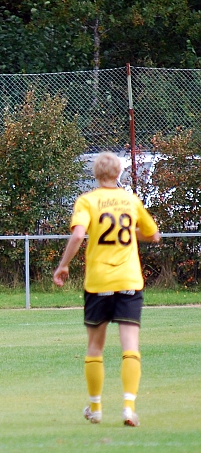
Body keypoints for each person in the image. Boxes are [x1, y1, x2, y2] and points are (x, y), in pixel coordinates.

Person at [53, 152, 160, 427]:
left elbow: (78, 235)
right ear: (119, 173)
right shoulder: (130, 200)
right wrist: (134, 234)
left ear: (95, 174)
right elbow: (153, 234)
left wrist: (63, 266)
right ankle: (128, 407)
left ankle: (96, 408)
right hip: (129, 280)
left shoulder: (87, 201)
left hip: (99, 281)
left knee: (95, 348)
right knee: (130, 347)